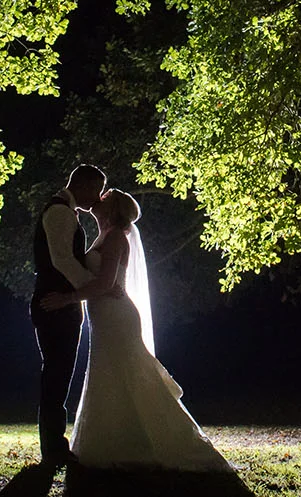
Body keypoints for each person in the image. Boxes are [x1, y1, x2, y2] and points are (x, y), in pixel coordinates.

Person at [40, 190, 235, 478]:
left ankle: (168, 440)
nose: (99, 198)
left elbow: (106, 284)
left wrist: (66, 298)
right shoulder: (104, 235)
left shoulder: (115, 237)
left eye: (105, 197)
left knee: (130, 373)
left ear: (113, 208)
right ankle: (118, 443)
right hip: (104, 316)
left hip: (116, 316)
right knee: (109, 375)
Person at [31, 163, 107, 468]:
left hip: (63, 302)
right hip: (55, 302)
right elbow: (62, 259)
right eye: (97, 190)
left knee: (59, 372)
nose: (97, 198)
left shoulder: (66, 211)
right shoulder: (60, 212)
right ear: (84, 185)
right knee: (57, 372)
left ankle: (53, 445)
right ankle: (53, 447)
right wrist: (93, 289)